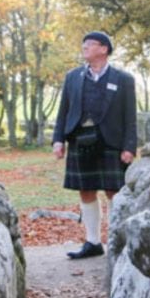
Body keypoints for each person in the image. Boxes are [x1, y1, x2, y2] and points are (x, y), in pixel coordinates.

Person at [53, 31, 137, 259]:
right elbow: (63, 111)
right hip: (80, 139)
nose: (84, 48)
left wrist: (130, 146)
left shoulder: (123, 79)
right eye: (84, 44)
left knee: (114, 191)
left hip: (111, 141)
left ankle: (116, 242)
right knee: (86, 190)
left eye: (89, 44)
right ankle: (92, 242)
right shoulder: (73, 77)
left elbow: (130, 117)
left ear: (104, 48)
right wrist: (58, 139)